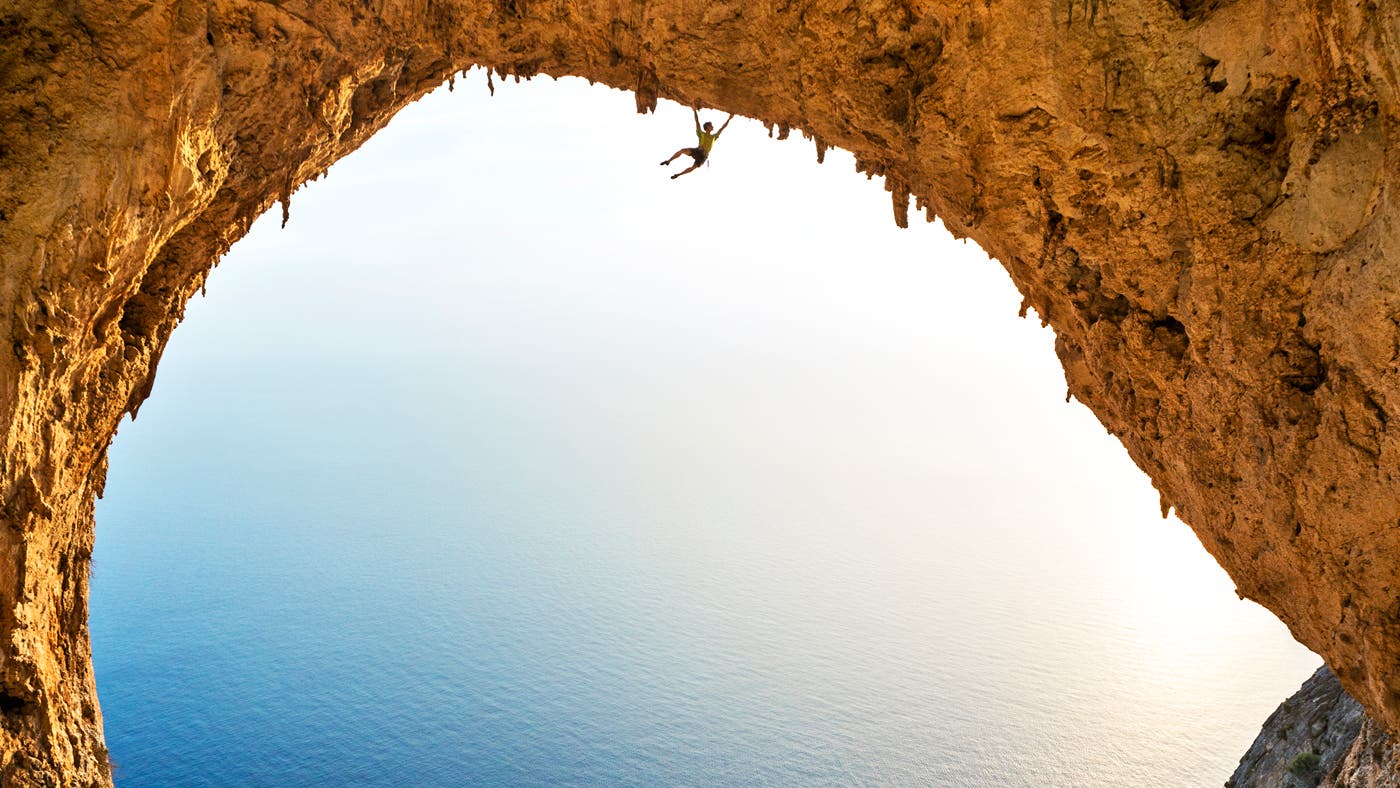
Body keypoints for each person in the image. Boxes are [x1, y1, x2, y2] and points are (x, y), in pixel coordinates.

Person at [660, 106, 734, 180]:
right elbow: (697, 121)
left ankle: (678, 175)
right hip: (697, 150)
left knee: (693, 168)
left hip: (703, 156)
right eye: (711, 125)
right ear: (707, 127)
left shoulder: (714, 136)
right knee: (682, 150)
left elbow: (723, 128)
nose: (712, 126)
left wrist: (729, 119)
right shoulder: (701, 133)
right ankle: (668, 161)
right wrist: (694, 110)